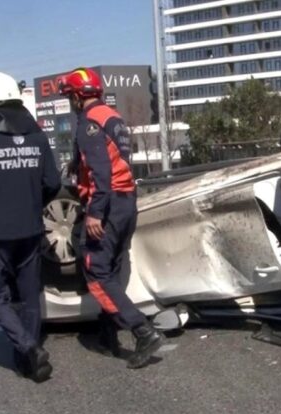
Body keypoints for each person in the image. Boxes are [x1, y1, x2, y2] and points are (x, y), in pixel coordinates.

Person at [58, 67, 164, 369]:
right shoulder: (111, 116)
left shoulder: (88, 122)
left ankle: (143, 332)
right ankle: (108, 331)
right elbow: (114, 160)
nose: (71, 103)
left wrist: (94, 212)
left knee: (97, 271)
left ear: (79, 97)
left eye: (70, 97)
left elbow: (102, 172)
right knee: (113, 269)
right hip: (127, 201)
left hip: (107, 205)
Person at [0, 72, 61, 382]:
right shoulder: (36, 133)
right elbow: (53, 182)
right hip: (31, 230)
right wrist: (32, 204)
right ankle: (29, 360)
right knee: (30, 296)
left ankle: (29, 348)